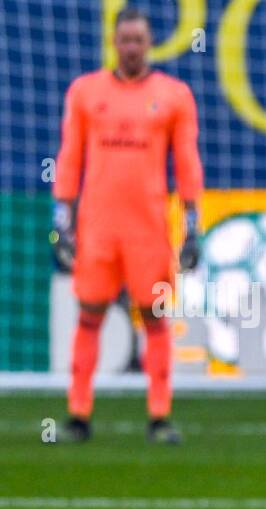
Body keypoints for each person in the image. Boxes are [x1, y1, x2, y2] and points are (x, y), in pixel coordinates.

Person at [50, 6, 202, 444]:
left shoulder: (174, 96)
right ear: (114, 43)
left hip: (149, 228)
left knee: (154, 318)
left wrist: (193, 221)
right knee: (90, 314)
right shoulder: (85, 92)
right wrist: (63, 217)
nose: (132, 47)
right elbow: (71, 155)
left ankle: (159, 416)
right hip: (98, 225)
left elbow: (187, 162)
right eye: (125, 40)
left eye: (139, 39)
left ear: (149, 42)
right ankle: (78, 415)